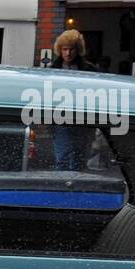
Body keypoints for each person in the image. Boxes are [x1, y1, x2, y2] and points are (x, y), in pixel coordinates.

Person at [49, 30, 98, 171]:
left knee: (79, 159)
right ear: (60, 50)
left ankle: (75, 189)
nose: (68, 53)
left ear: (78, 50)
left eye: (72, 49)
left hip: (82, 119)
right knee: (62, 158)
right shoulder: (53, 69)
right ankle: (61, 190)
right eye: (65, 49)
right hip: (60, 118)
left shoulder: (90, 69)